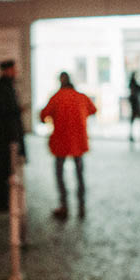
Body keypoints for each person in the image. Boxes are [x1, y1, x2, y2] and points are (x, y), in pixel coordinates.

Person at [39, 72, 97, 220]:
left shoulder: (56, 97)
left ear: (60, 81)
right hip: (78, 142)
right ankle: (81, 206)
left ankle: (64, 206)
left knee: (60, 174)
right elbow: (93, 110)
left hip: (61, 142)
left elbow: (43, 115)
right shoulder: (81, 97)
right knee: (80, 174)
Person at [0, 59, 24, 213]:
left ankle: (6, 203)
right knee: (3, 173)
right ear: (6, 70)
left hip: (7, 138)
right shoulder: (1, 87)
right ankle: (3, 204)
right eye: (13, 69)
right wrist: (17, 110)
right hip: (4, 139)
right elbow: (3, 113)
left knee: (6, 172)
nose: (16, 72)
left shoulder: (6, 86)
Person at [127, 72, 140, 145]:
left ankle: (135, 136)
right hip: (137, 106)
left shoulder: (132, 84)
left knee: (134, 122)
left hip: (135, 106)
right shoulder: (134, 84)